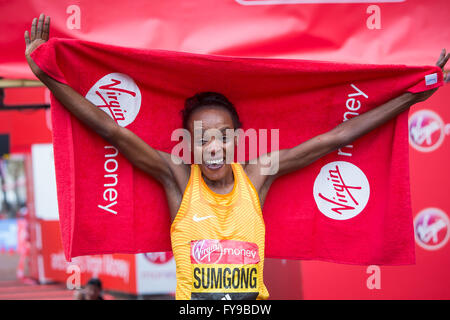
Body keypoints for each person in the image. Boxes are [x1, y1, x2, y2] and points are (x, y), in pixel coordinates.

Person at [25, 14, 449, 300]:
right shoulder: (176, 176)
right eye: (202, 137)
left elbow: (339, 135)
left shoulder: (259, 174)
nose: (213, 146)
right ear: (187, 145)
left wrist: (414, 96)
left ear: (237, 141)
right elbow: (109, 128)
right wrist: (48, 75)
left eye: (223, 136)